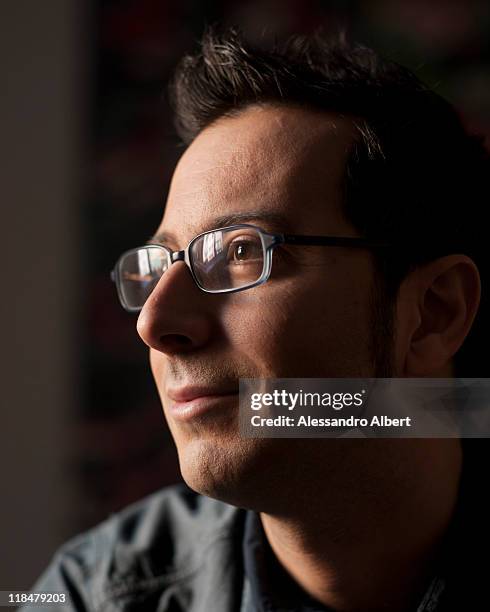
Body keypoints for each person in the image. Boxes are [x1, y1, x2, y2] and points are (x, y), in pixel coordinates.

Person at [25, 28, 489, 611]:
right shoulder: (94, 594)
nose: (154, 324)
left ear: (433, 313)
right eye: (158, 266)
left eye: (241, 252)